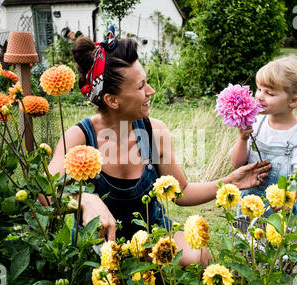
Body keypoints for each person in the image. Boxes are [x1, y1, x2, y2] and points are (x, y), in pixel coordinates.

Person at [45, 28, 272, 267]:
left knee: (199, 255)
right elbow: (45, 192)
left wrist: (231, 181)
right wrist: (83, 200)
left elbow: (181, 192)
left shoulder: (155, 132)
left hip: (154, 244)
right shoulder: (80, 137)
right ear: (112, 100)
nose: (151, 91)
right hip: (100, 252)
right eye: (140, 86)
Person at [230, 56, 297, 218]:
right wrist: (242, 138)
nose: (259, 96)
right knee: (244, 243)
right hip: (246, 209)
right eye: (259, 89)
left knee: (273, 244)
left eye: (269, 93)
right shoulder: (255, 124)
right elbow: (237, 164)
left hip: (280, 216)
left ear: (294, 101)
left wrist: (290, 197)